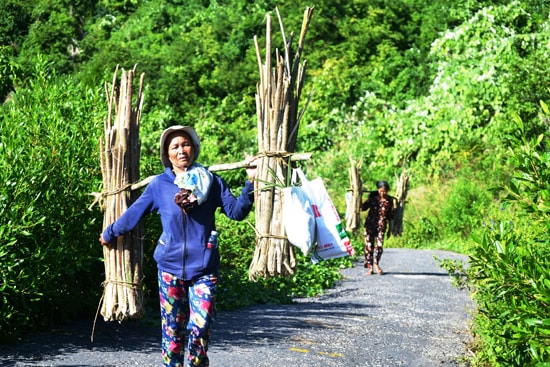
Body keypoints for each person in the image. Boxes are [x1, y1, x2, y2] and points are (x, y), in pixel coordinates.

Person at [99, 125, 257, 367]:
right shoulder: (159, 185)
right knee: (172, 333)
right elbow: (134, 214)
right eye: (175, 146)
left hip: (205, 269)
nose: (181, 150)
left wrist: (250, 183)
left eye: (186, 144)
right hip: (170, 268)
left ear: (194, 148)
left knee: (201, 326)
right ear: (167, 154)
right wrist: (110, 233)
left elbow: (236, 212)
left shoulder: (211, 181)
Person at [361, 180, 394, 275]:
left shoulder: (389, 200)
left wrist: (390, 229)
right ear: (378, 189)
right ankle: (370, 267)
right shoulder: (372, 198)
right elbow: (363, 208)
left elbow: (390, 216)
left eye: (384, 191)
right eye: (381, 191)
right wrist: (358, 198)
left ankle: (376, 264)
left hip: (381, 226)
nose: (382, 193)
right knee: (369, 247)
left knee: (379, 247)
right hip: (370, 225)